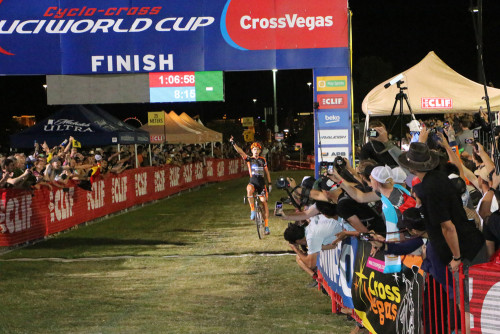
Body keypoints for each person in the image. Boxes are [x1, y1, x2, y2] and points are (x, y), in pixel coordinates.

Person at [398, 142, 487, 334]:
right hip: (469, 246)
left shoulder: (430, 188)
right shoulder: (437, 179)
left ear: (412, 167)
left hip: (465, 253)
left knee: (467, 305)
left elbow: (448, 227)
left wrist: (456, 257)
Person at [230, 136, 272, 235]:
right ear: (252, 151)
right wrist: (233, 143)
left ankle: (266, 226)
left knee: (264, 202)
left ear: (260, 151)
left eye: (257, 149)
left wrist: (269, 183)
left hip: (261, 184)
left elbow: (267, 172)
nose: (256, 151)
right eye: (254, 149)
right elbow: (240, 152)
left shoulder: (263, 160)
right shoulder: (249, 159)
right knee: (249, 189)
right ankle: (252, 210)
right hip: (253, 181)